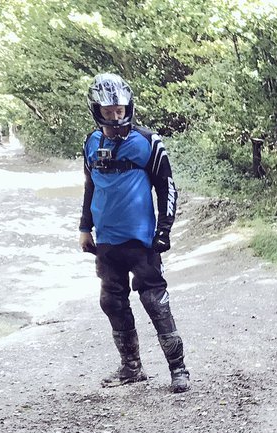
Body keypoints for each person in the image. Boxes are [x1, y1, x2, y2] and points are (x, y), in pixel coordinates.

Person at [78, 73, 190, 393]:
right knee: (112, 302)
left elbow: (166, 187)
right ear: (97, 110)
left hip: (141, 240)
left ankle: (178, 369)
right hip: (107, 242)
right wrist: (85, 228)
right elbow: (90, 188)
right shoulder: (91, 143)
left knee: (155, 302)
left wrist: (164, 229)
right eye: (108, 111)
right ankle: (131, 368)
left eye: (120, 109)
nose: (116, 115)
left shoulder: (147, 141)